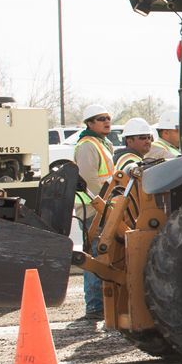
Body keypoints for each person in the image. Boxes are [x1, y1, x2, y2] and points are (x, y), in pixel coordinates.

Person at [71, 104, 114, 320]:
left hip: (102, 208)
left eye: (108, 117)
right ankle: (95, 306)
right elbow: (89, 180)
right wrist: (108, 202)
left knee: (101, 254)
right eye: (100, 118)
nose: (107, 121)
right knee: (95, 256)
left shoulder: (101, 143)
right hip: (93, 210)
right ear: (89, 123)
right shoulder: (88, 145)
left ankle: (101, 305)